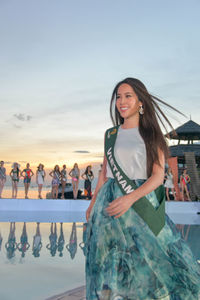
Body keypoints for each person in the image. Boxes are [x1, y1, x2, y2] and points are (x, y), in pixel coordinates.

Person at [85, 78, 200, 299]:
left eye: (128, 96)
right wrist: (92, 204)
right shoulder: (110, 134)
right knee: (107, 263)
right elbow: (104, 173)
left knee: (151, 259)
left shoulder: (151, 134)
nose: (122, 101)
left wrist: (130, 199)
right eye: (118, 97)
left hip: (139, 202)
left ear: (140, 101)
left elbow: (158, 177)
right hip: (107, 206)